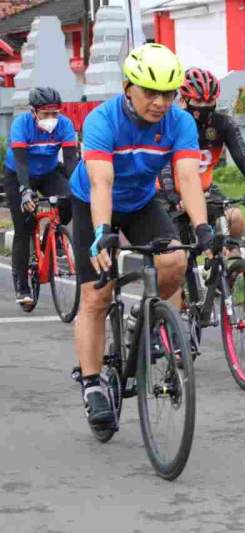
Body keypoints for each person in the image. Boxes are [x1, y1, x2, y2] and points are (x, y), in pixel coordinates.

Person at [69, 43, 212, 429]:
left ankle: (143, 317)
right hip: (93, 202)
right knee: (96, 295)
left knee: (175, 260)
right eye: (151, 92)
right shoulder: (103, 120)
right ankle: (92, 385)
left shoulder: (180, 122)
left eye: (168, 93)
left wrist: (202, 227)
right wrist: (102, 233)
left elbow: (187, 177)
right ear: (128, 87)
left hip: (140, 202)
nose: (160, 102)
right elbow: (101, 182)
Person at [157, 67, 245, 244]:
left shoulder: (223, 124)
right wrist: (174, 197)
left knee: (235, 218)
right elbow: (163, 164)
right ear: (183, 101)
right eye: (198, 101)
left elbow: (242, 158)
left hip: (205, 191)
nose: (205, 107)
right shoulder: (170, 123)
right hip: (168, 193)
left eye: (210, 101)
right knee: (179, 246)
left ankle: (231, 256)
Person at [4, 87, 78, 304]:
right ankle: (22, 286)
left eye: (55, 113)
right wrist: (25, 191)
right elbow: (21, 162)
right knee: (23, 229)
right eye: (46, 114)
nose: (51, 118)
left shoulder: (64, 125)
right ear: (33, 112)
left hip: (48, 172)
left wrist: (80, 188)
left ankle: (54, 234)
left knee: (70, 198)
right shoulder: (21, 125)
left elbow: (71, 161)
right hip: (19, 174)